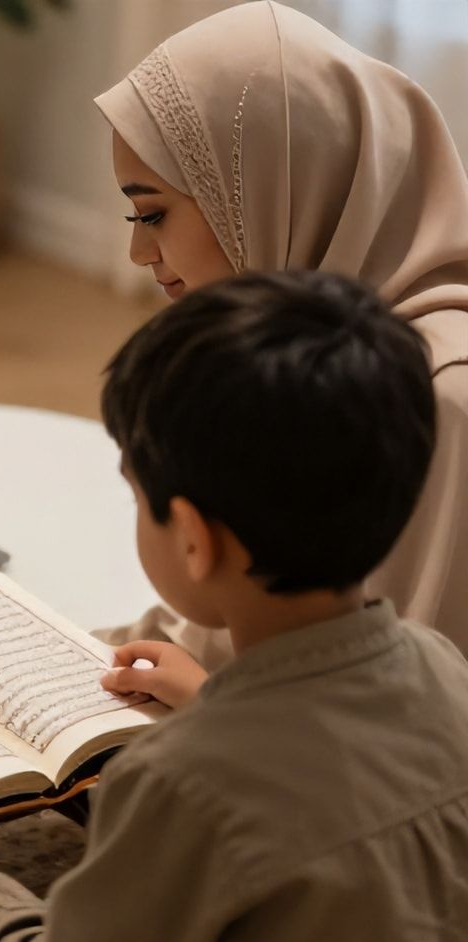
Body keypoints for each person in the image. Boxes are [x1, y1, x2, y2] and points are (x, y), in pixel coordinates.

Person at [0, 271, 468, 942]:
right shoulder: (442, 667)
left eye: (138, 497)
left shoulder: (184, 780)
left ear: (194, 540)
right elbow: (336, 773)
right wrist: (209, 697)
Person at [92, 0, 468, 665]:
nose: (140, 256)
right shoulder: (303, 364)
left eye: (152, 215)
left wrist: (204, 706)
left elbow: (402, 734)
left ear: (270, 189)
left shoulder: (443, 399)